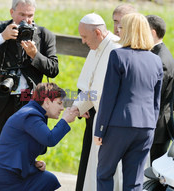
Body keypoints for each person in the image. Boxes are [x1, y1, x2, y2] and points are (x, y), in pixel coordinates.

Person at [0, 0, 59, 190]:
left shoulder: (44, 36)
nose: (26, 20)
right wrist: (2, 37)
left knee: (25, 159)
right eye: (22, 15)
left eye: (30, 16)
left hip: (28, 106)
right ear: (12, 12)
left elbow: (53, 69)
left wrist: (35, 56)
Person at [94, 13, 163, 191]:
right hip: (146, 127)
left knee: (104, 173)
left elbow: (109, 96)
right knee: (134, 182)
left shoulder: (118, 56)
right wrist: (151, 127)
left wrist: (100, 129)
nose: (118, 29)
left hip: (119, 125)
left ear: (130, 30)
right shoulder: (156, 60)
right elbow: (156, 102)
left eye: (122, 26)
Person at [0, 82, 78, 191]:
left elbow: (18, 145)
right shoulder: (30, 115)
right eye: (59, 103)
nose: (62, 108)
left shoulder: (32, 113)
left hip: (7, 171)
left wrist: (33, 164)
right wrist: (65, 120)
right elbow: (50, 139)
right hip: (4, 174)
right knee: (47, 180)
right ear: (47, 102)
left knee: (47, 179)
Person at [71, 13, 122, 191]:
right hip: (98, 120)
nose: (83, 42)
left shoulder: (117, 48)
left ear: (98, 33)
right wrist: (77, 108)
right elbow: (90, 86)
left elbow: (102, 91)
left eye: (85, 37)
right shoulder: (96, 48)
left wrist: (78, 107)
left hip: (114, 123)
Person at [146, 15, 174, 164]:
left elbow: (153, 95)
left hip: (157, 128)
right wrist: (171, 106)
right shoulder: (161, 53)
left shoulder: (159, 59)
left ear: (153, 33)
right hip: (160, 124)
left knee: (153, 175)